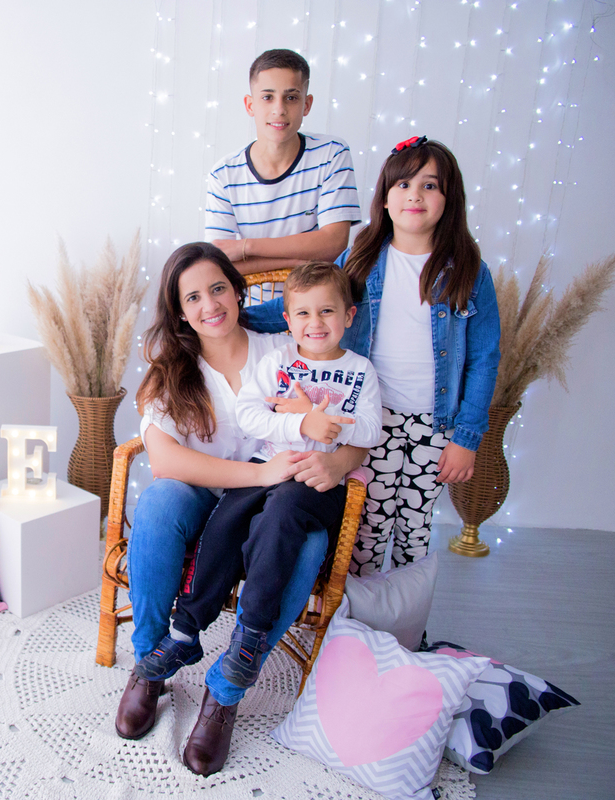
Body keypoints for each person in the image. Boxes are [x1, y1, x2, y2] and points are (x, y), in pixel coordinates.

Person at [112, 243, 369, 757]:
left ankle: (225, 691)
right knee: (159, 501)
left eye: (218, 289)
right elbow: (164, 461)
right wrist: (258, 474)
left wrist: (339, 463)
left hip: (275, 507)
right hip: (202, 498)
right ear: (179, 311)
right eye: (193, 298)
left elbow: (351, 421)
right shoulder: (172, 370)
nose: (209, 305)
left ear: (237, 290)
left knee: (309, 540)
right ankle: (150, 665)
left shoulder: (285, 348)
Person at [242, 137, 500, 575]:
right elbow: (301, 304)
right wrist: (236, 318)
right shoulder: (363, 259)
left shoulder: (469, 271)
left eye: (430, 186)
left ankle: (406, 614)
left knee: (415, 530)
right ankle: (358, 613)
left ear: (449, 199)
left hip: (436, 424)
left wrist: (466, 438)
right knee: (364, 529)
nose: (414, 195)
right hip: (370, 419)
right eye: (403, 185)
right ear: (384, 197)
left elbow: (484, 359)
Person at [205, 49, 361, 275]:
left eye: (291, 98)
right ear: (250, 105)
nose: (279, 109)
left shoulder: (332, 154)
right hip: (251, 297)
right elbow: (219, 264)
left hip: (315, 296)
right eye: (267, 97)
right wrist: (295, 261)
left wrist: (246, 247)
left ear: (307, 104)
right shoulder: (224, 174)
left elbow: (334, 244)